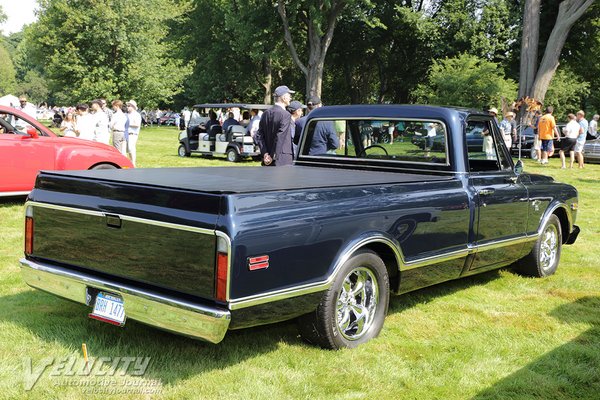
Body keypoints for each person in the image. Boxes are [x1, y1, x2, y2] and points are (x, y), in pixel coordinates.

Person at [255, 85, 294, 166]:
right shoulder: (285, 115)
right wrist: (272, 156)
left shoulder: (266, 113)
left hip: (267, 158)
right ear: (283, 98)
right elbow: (280, 136)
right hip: (282, 159)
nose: (291, 98)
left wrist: (265, 153)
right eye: (289, 96)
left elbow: (259, 135)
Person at [126, 100, 142, 167]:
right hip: (126, 133)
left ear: (133, 107)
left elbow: (137, 124)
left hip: (133, 134)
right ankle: (129, 162)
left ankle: (133, 163)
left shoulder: (137, 115)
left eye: (129, 106)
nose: (127, 107)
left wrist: (127, 124)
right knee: (127, 149)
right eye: (127, 106)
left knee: (131, 148)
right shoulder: (127, 114)